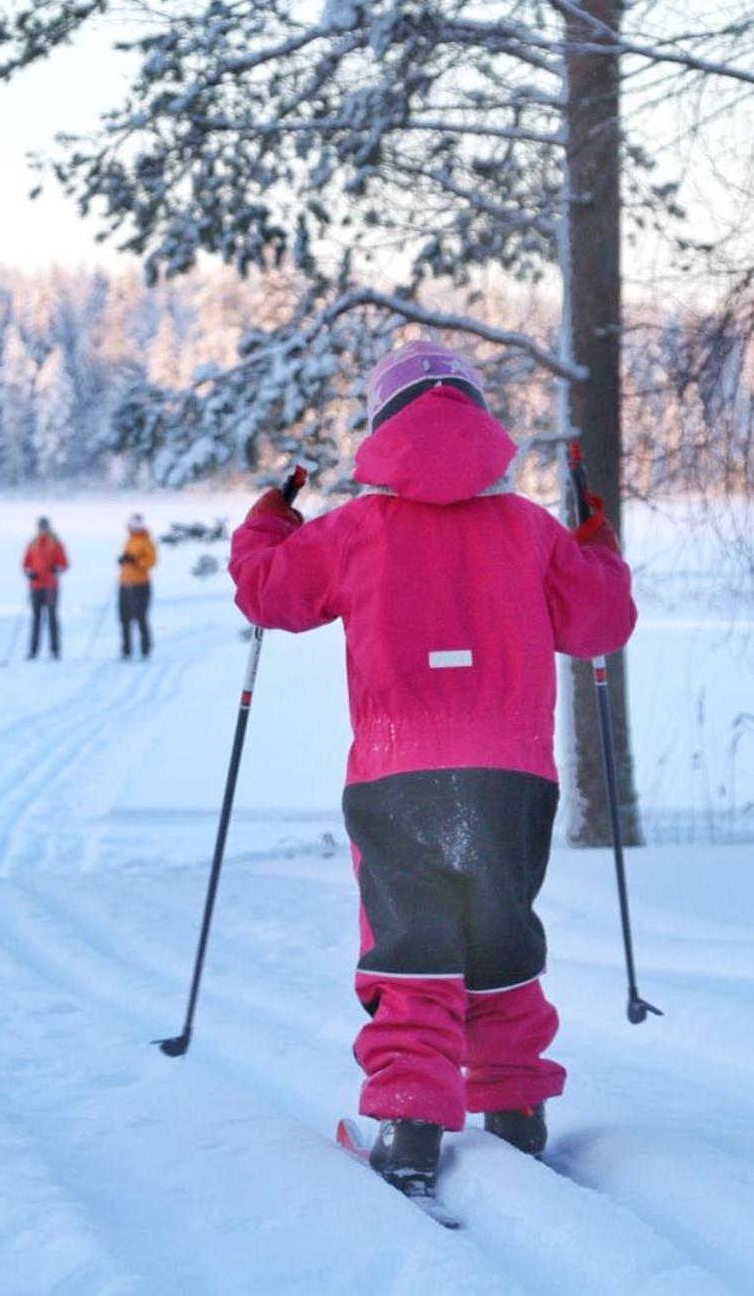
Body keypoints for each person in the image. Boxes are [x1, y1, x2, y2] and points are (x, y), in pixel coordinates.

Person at [228, 338, 636, 1200]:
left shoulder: (352, 530)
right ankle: (516, 1113)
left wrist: (269, 518)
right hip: (511, 773)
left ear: (383, 426)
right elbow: (599, 620)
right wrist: (593, 543)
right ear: (478, 420)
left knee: (411, 943)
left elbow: (267, 592)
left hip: (396, 772)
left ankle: (411, 1130)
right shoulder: (528, 530)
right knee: (498, 934)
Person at [23, 515, 68, 660]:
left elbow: (64, 563)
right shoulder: (33, 543)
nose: (43, 530)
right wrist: (29, 573)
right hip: (36, 586)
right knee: (36, 618)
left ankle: (55, 650)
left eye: (45, 527)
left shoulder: (55, 543)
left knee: (52, 617)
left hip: (50, 586)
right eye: (41, 527)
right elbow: (26, 563)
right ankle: (33, 650)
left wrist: (57, 569)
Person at [117, 513, 157, 658]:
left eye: (137, 524)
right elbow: (128, 558)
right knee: (124, 618)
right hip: (125, 583)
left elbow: (152, 561)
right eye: (133, 524)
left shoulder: (146, 541)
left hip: (140, 585)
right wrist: (124, 560)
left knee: (141, 617)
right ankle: (126, 649)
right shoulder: (129, 540)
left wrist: (136, 561)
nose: (134, 527)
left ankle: (145, 649)